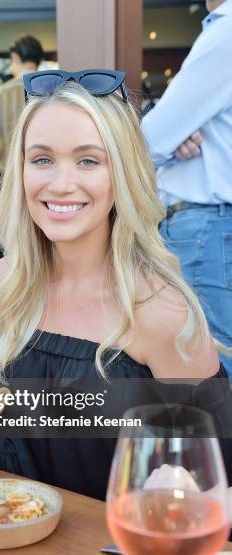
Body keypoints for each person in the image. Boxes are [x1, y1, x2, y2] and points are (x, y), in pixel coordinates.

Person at [0, 69, 230, 501]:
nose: (60, 183)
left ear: (121, 175)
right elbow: (3, 438)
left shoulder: (161, 311)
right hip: (10, 539)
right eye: (41, 159)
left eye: (88, 160)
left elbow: (218, 485)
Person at [141, 0, 232, 381]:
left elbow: (149, 139)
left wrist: (164, 129)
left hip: (205, 224)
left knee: (209, 361)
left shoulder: (226, 31)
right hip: (213, 223)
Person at [0, 35, 44, 261]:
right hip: (46, 182)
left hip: (9, 182)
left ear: (15, 57)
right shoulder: (51, 92)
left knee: (6, 254)